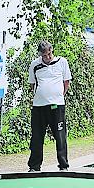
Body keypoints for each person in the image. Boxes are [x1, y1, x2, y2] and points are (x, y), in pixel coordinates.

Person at [27, 41, 72, 172]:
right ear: (40, 55)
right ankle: (34, 166)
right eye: (44, 55)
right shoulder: (35, 64)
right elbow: (32, 84)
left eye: (49, 54)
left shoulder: (62, 62)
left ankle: (63, 166)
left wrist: (58, 96)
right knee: (36, 136)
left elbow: (66, 82)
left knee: (60, 136)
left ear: (52, 51)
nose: (47, 57)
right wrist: (41, 95)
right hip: (39, 106)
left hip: (57, 106)